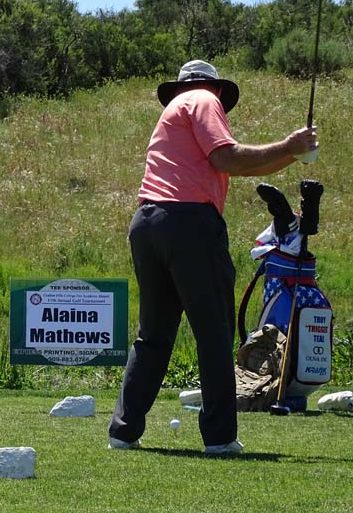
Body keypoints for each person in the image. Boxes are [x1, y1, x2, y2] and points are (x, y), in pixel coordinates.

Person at [107, 60, 319, 454]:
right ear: (216, 88)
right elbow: (228, 158)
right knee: (215, 333)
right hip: (190, 225)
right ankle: (220, 439)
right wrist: (291, 146)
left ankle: (123, 431)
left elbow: (237, 164)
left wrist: (292, 153)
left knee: (152, 337)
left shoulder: (173, 113)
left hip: (148, 224)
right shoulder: (203, 98)